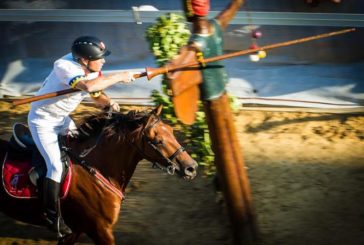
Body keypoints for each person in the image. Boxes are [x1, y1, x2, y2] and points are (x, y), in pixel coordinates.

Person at [27, 36, 135, 238]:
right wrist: (121, 76)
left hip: (61, 118)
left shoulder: (92, 68)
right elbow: (88, 87)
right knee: (56, 166)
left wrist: (108, 104)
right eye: (100, 58)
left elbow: (97, 96)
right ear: (84, 60)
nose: (103, 61)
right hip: (42, 122)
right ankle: (52, 217)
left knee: (82, 149)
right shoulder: (64, 66)